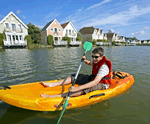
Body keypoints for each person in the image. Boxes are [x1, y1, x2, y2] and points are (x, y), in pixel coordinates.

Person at [41, 47, 112, 98]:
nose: (94, 58)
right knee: (76, 76)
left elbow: (95, 83)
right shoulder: (97, 60)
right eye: (92, 56)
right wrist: (85, 60)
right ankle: (52, 84)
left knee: (85, 88)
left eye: (96, 57)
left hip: (102, 84)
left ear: (102, 57)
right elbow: (91, 63)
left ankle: (56, 96)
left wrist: (77, 88)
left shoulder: (104, 67)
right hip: (93, 78)